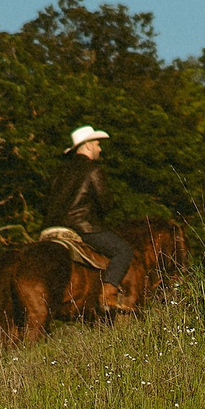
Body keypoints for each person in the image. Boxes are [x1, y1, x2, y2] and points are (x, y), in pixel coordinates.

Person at [46, 125, 137, 314]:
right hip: (82, 229)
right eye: (97, 144)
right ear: (87, 146)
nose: (100, 149)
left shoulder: (58, 172)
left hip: (51, 229)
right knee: (123, 250)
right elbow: (106, 204)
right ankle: (108, 294)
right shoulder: (93, 170)